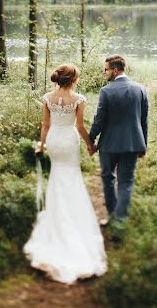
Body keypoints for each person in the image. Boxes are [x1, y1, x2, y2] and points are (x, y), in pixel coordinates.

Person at [23, 64, 107, 284]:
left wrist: (41, 145)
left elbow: (45, 124)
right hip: (69, 141)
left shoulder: (47, 98)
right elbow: (79, 127)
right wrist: (90, 144)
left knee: (57, 178)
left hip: (54, 141)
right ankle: (73, 220)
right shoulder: (79, 99)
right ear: (74, 79)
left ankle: (56, 221)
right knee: (71, 178)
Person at [88, 55, 148, 223]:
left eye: (105, 69)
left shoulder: (106, 91)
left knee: (107, 178)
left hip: (109, 145)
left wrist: (90, 140)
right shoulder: (141, 89)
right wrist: (143, 145)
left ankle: (113, 215)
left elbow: (99, 120)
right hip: (133, 144)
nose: (104, 72)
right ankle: (120, 220)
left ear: (115, 70)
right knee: (126, 182)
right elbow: (144, 121)